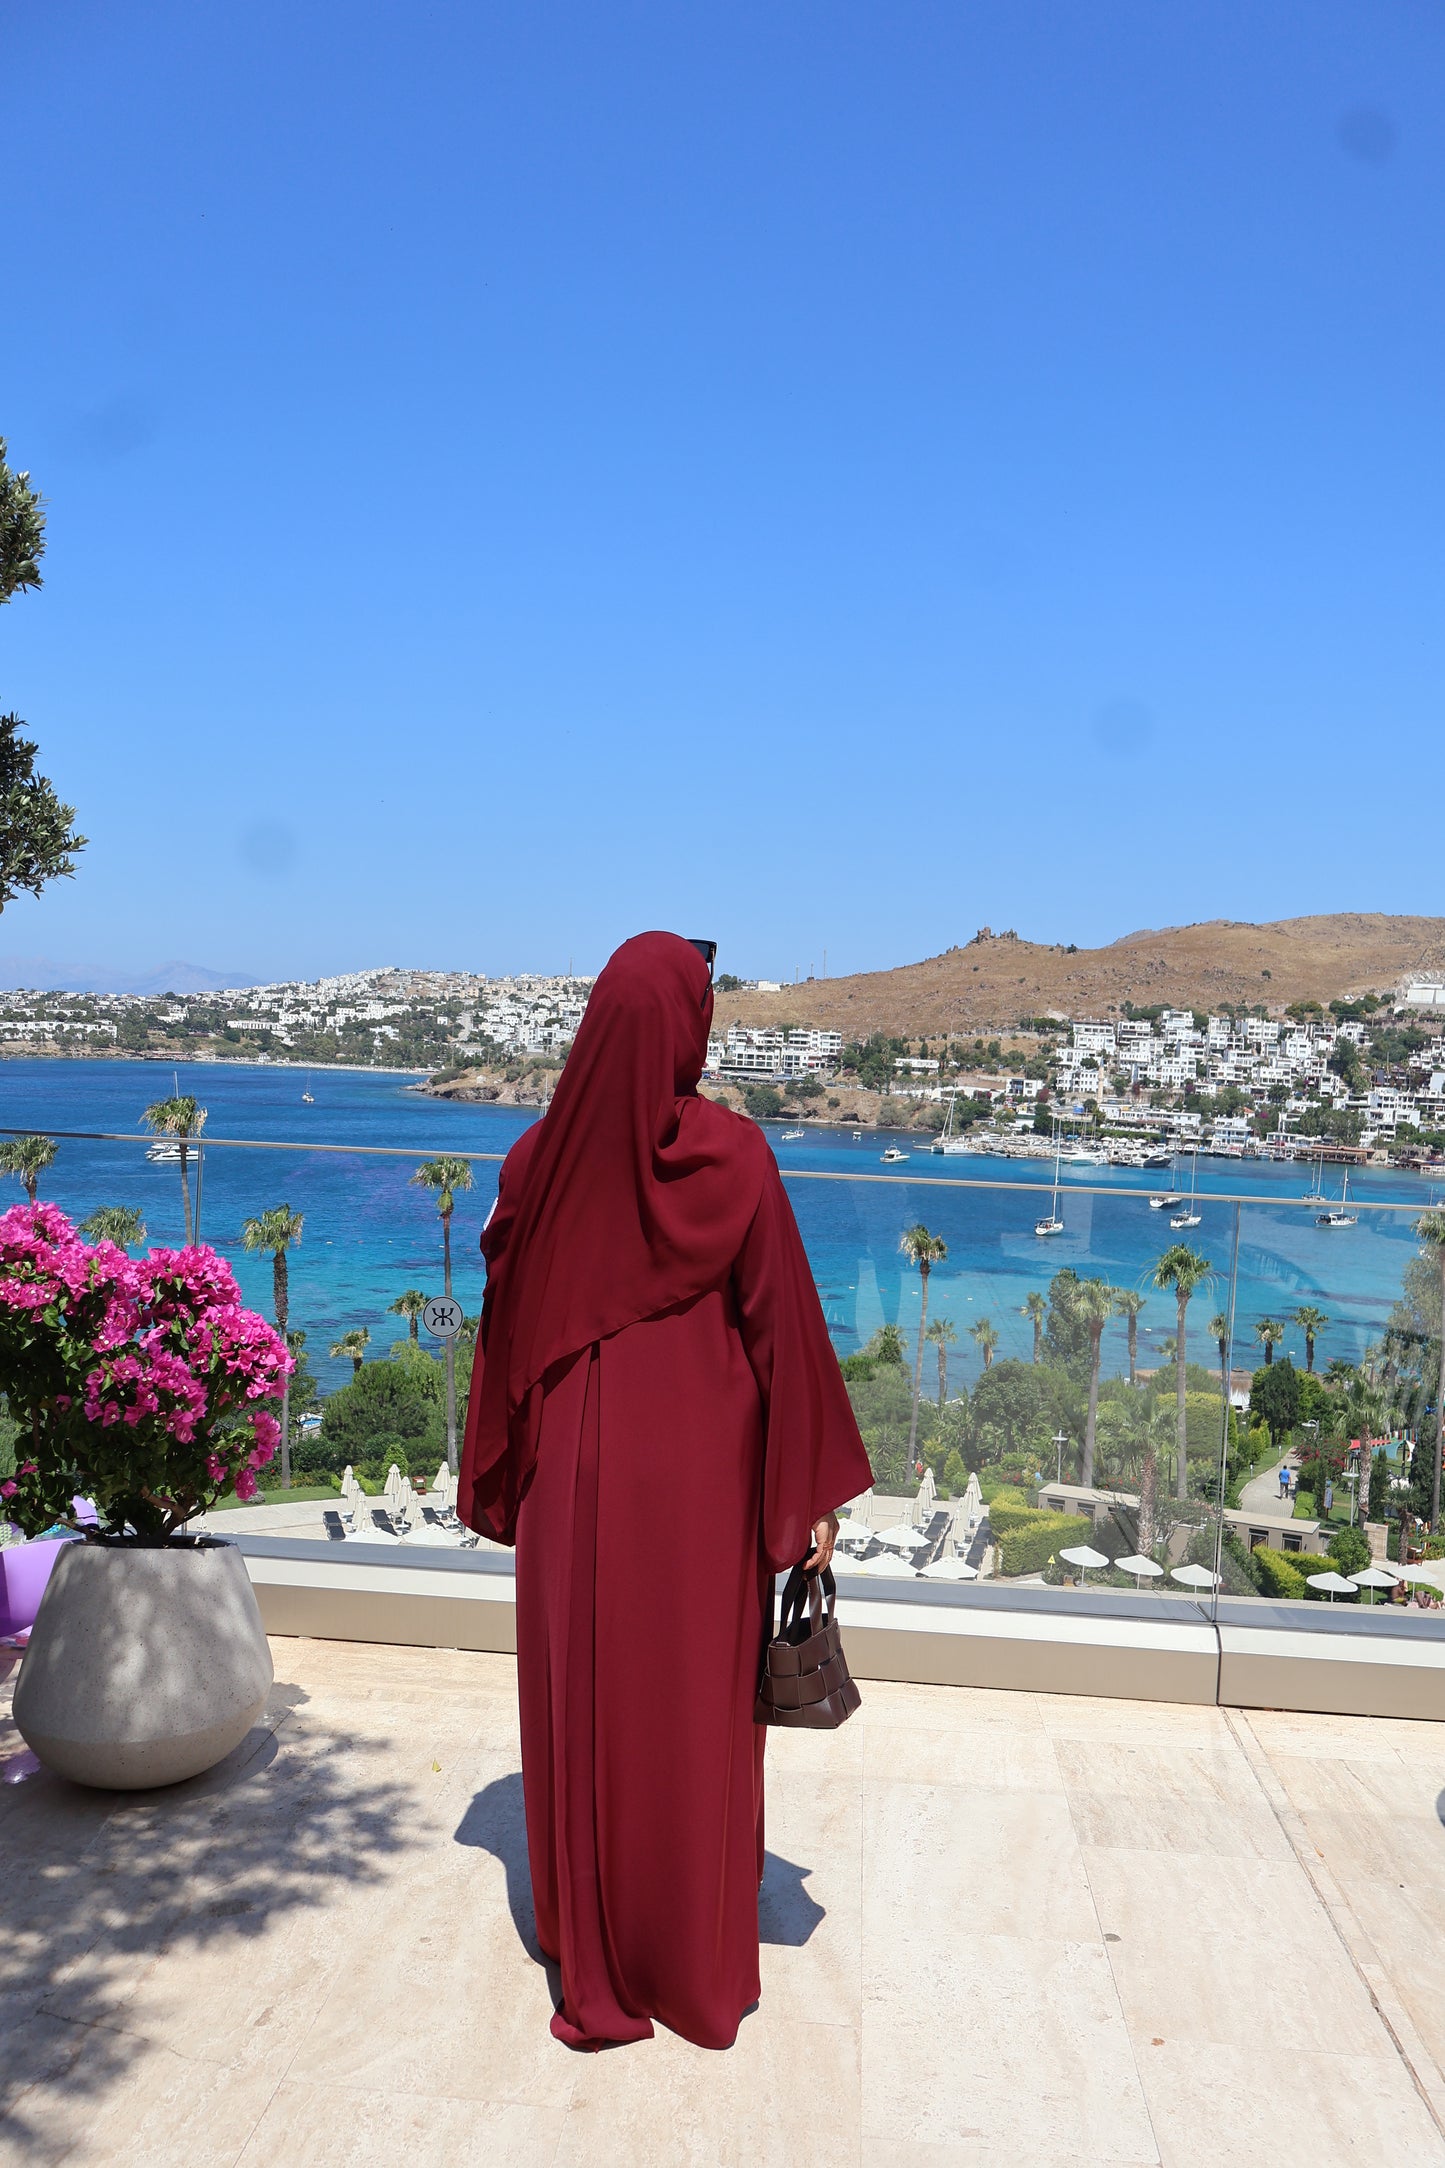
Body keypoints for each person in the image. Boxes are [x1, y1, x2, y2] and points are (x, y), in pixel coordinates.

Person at [458, 932, 872, 2052]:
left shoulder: (529, 1163)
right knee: (689, 1704)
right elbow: (779, 1325)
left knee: (583, 1695)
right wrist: (810, 1494)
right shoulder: (730, 1157)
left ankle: (592, 1944)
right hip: (699, 1480)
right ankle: (684, 1955)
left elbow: (503, 1331)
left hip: (565, 1481)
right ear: (683, 1028)